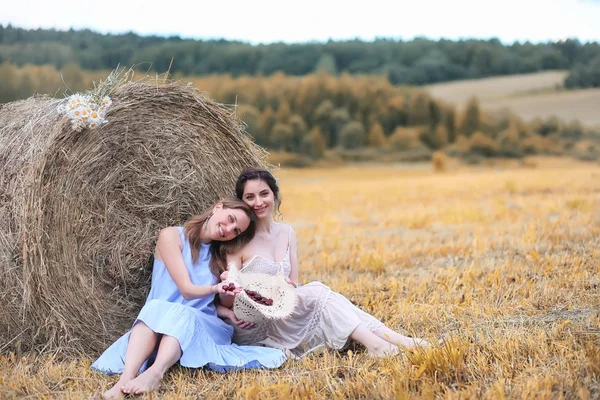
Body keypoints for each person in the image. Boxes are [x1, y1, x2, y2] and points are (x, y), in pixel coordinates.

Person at [219, 168, 430, 359]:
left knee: (327, 297)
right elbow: (228, 300)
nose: (258, 202)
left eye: (264, 194)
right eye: (250, 197)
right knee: (319, 291)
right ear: (241, 202)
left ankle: (396, 341)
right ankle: (385, 344)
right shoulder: (238, 242)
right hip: (254, 324)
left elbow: (294, 282)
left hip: (284, 310)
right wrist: (233, 286)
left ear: (274, 194)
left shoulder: (287, 233)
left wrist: (287, 288)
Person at [92, 197, 287, 400]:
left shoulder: (220, 255)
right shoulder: (171, 236)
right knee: (155, 308)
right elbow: (186, 291)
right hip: (159, 322)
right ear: (218, 207)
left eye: (236, 231)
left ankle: (155, 373)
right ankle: (125, 379)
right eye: (230, 219)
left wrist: (227, 300)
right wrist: (214, 287)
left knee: (181, 314)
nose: (228, 229)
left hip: (203, 326)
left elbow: (209, 305)